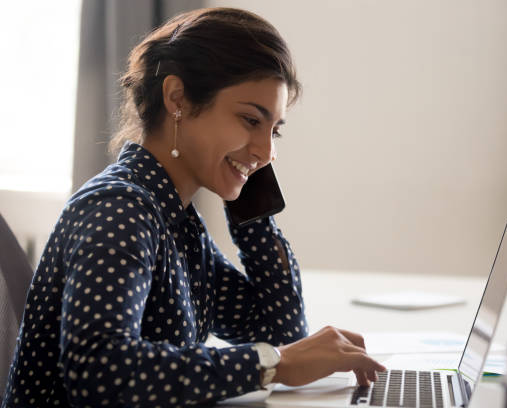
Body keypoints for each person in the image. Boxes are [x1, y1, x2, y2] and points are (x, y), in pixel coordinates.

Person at [1, 7, 385, 407]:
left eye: (275, 131)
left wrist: (251, 198)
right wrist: (273, 363)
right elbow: (100, 372)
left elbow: (279, 330)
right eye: (250, 120)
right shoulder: (118, 210)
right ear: (177, 98)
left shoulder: (176, 219)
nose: (268, 151)